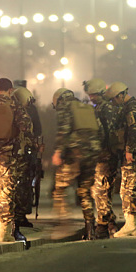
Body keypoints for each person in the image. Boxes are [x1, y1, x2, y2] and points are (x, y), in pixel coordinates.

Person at [0, 78, 32, 242]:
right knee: (5, 193)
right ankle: (4, 233)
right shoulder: (15, 105)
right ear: (10, 90)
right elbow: (26, 126)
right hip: (7, 156)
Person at [52, 87, 102, 240]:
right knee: (84, 191)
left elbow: (64, 129)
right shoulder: (86, 107)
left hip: (75, 154)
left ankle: (64, 225)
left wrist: (58, 151)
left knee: (59, 189)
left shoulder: (64, 106)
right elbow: (100, 130)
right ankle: (90, 229)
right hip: (92, 153)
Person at [105, 82, 136, 238]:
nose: (113, 103)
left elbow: (134, 129)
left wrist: (129, 149)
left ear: (120, 95)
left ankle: (130, 224)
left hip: (133, 153)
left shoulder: (131, 107)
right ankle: (135, 224)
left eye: (113, 100)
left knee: (127, 188)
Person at [83, 78, 121, 238]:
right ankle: (109, 221)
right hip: (101, 156)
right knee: (100, 192)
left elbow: (109, 134)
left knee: (101, 192)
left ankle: (103, 226)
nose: (91, 98)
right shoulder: (100, 108)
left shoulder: (107, 109)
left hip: (106, 157)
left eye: (93, 95)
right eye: (90, 95)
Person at [12, 86, 42, 238]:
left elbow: (37, 131)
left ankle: (21, 215)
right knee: (18, 186)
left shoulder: (27, 111)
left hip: (24, 154)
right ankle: (16, 216)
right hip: (18, 155)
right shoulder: (16, 112)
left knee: (24, 186)